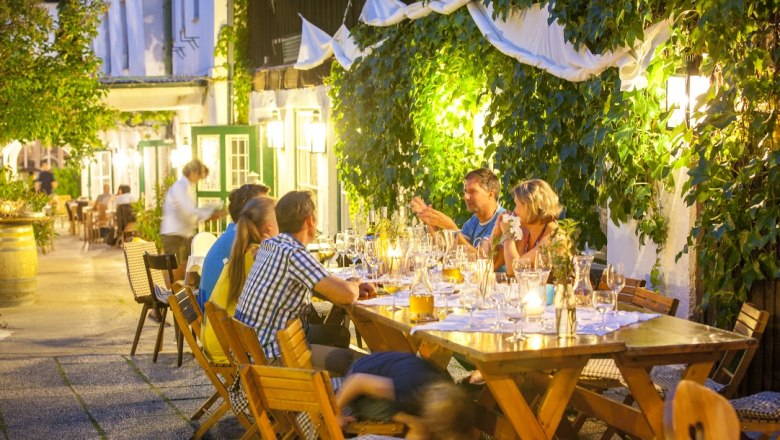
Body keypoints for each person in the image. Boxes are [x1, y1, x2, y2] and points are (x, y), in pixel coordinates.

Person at [234, 190, 375, 361]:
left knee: (339, 335)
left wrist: (343, 286)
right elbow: (347, 294)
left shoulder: (270, 245)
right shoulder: (293, 253)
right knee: (361, 363)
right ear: (310, 220)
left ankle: (331, 379)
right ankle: (330, 381)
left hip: (255, 351)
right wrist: (354, 283)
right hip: (277, 357)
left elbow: (323, 284)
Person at [201, 196, 277, 364]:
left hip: (216, 340)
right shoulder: (257, 255)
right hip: (228, 347)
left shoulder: (244, 251)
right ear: (269, 227)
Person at [335, 352, 477, 440]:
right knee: (420, 429)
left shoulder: (444, 385)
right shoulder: (407, 388)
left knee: (421, 426)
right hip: (358, 383)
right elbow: (357, 382)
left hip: (386, 374)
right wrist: (336, 413)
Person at [197, 183, 270, 311]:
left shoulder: (233, 234)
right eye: (265, 208)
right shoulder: (243, 242)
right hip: (222, 321)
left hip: (213, 317)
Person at [411, 168, 504, 254]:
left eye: (473, 191)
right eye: (466, 192)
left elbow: (482, 260)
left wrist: (451, 228)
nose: (466, 197)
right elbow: (456, 253)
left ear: (491, 194)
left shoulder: (503, 219)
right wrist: (432, 225)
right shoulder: (473, 221)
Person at [160, 159, 225, 281]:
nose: (199, 179)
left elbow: (192, 211)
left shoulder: (188, 186)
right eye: (199, 176)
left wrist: (208, 213)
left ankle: (182, 293)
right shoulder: (180, 186)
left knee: (190, 268)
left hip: (183, 234)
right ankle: (169, 295)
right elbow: (188, 211)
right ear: (194, 173)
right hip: (174, 234)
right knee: (176, 270)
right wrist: (208, 214)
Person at [493, 179, 562, 277]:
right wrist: (496, 231)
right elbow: (490, 263)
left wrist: (507, 235)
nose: (514, 210)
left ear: (530, 206)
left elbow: (514, 272)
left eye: (517, 205)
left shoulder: (554, 236)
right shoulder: (525, 232)